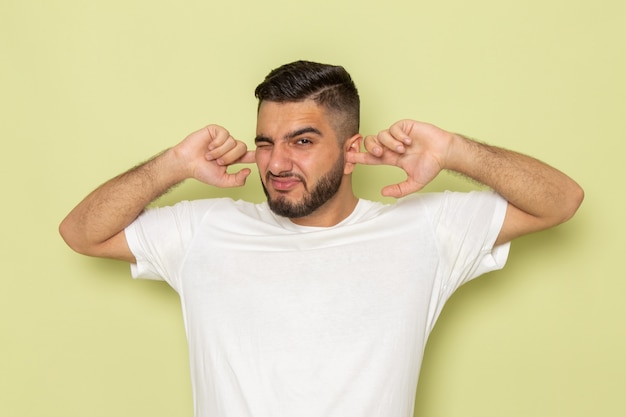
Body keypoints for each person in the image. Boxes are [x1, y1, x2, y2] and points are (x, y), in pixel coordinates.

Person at [59, 60, 583, 417]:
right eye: (265, 143)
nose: (277, 163)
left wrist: (452, 150)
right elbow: (80, 232)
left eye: (302, 141)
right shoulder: (204, 229)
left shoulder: (425, 230)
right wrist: (173, 164)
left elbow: (561, 199)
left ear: (352, 149)